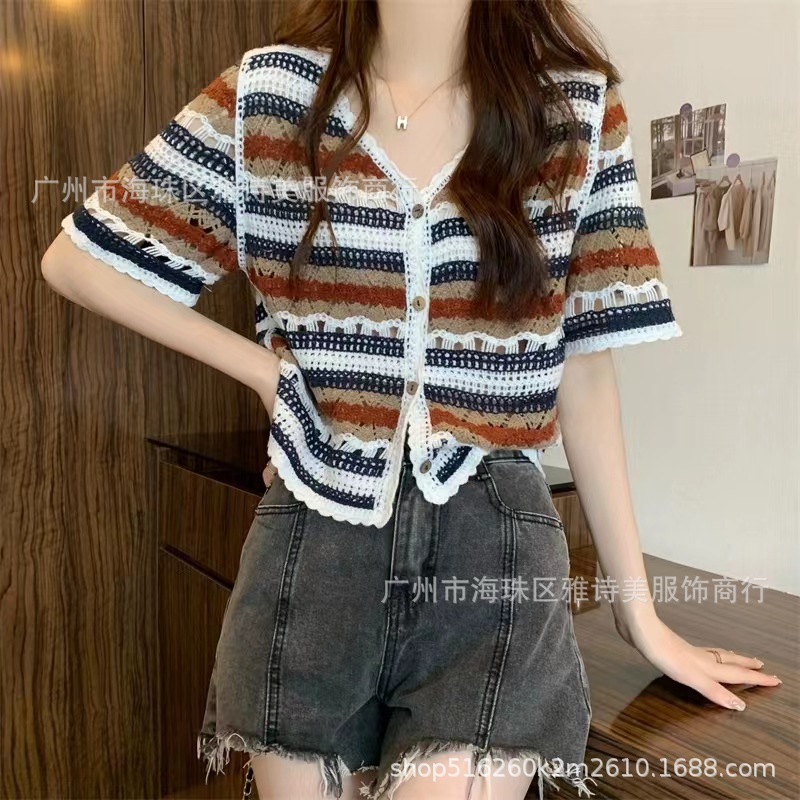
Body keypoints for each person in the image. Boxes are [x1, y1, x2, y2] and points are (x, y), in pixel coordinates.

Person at [41, 1, 782, 799]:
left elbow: (584, 361)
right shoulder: (268, 98)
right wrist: (266, 374)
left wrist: (638, 612)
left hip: (492, 557)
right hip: (315, 538)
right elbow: (81, 262)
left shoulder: (572, 113)